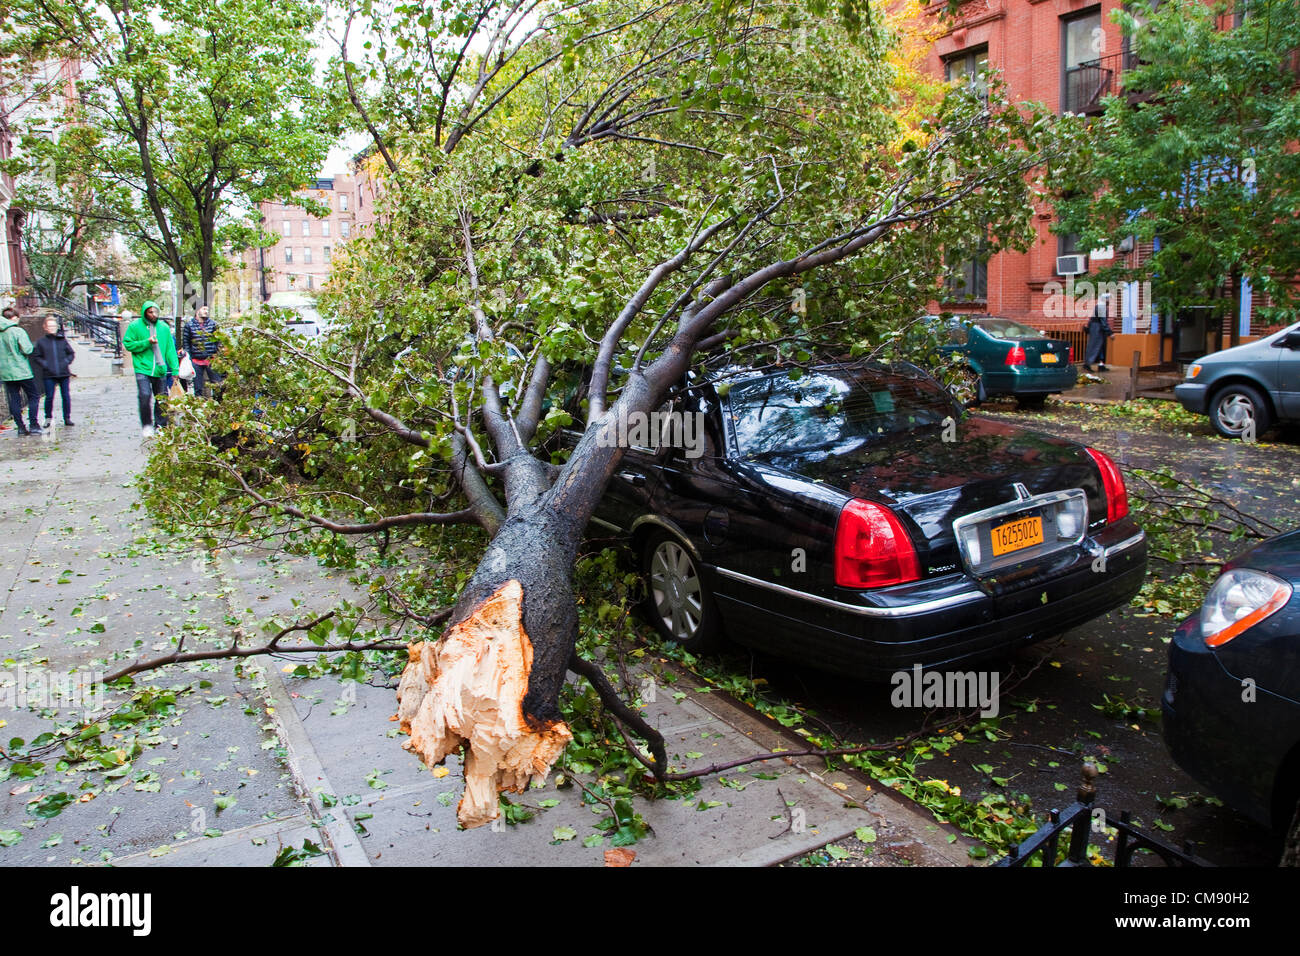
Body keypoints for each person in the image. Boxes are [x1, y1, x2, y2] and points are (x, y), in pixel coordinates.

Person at [122, 300, 179, 437]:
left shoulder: (164, 328)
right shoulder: (135, 326)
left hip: (160, 369)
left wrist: (175, 369)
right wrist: (146, 342)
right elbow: (128, 344)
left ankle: (160, 425)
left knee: (162, 398)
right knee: (145, 395)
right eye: (150, 312)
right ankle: (146, 425)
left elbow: (170, 349)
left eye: (155, 312)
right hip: (142, 368)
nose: (153, 314)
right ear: (145, 312)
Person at [0, 305, 41, 435]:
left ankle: (21, 427)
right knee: (33, 396)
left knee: (14, 399)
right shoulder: (17, 331)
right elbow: (27, 349)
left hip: (6, 372)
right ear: (14, 318)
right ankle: (34, 424)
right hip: (22, 370)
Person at [32, 313, 75, 427]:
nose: (52, 328)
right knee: (49, 397)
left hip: (63, 373)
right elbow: (37, 356)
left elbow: (70, 353)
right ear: (45, 327)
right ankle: (48, 418)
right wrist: (45, 364)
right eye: (49, 326)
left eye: (53, 326)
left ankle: (67, 417)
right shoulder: (41, 342)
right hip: (49, 374)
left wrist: (66, 362)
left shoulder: (62, 340)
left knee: (65, 396)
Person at [183, 304, 223, 397]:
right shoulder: (189, 325)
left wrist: (217, 355)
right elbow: (186, 343)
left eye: (207, 309)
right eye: (204, 309)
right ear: (197, 310)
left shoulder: (213, 324)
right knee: (198, 388)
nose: (206, 311)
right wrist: (189, 358)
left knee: (218, 385)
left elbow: (219, 341)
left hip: (211, 359)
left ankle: (217, 407)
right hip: (196, 361)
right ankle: (199, 408)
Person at [1084, 293, 1113, 372]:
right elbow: (1103, 321)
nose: (1109, 301)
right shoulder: (1101, 307)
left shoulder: (1100, 306)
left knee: (1100, 347)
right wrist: (1110, 332)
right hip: (1097, 329)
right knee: (1095, 346)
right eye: (1108, 299)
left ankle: (1101, 365)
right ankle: (1087, 364)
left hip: (1097, 328)